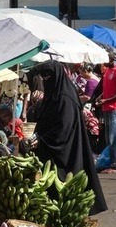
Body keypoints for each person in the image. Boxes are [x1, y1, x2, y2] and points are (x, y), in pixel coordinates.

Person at [27, 61, 107, 215]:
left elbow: (63, 130)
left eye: (47, 77)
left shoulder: (65, 98)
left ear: (56, 76)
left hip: (67, 151)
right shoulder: (55, 93)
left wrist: (42, 140)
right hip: (55, 150)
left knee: (65, 186)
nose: (45, 81)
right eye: (43, 78)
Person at [96, 51, 116, 174]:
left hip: (115, 108)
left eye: (107, 59)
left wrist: (106, 100)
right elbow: (109, 89)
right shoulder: (107, 72)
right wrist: (101, 97)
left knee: (115, 137)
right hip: (107, 108)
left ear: (113, 59)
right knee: (109, 137)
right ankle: (112, 161)